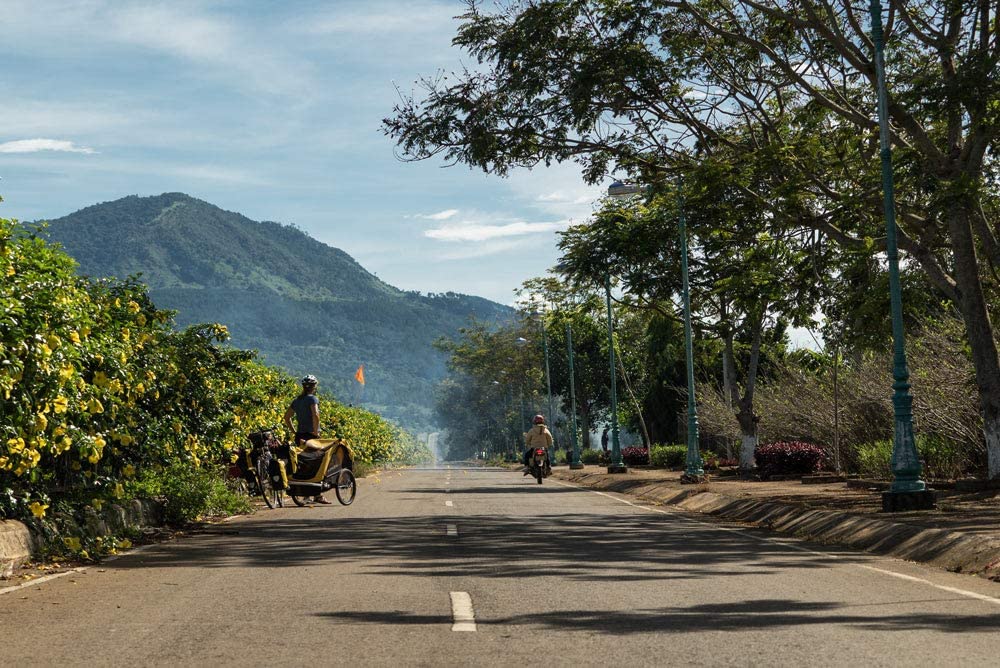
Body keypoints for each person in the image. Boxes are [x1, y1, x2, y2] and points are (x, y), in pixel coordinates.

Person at [283, 375, 331, 504]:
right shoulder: (312, 399)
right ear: (314, 387)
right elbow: (316, 415)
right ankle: (317, 495)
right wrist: (316, 431)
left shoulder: (297, 401)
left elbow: (287, 417)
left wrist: (294, 431)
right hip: (311, 436)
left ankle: (306, 494)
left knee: (303, 464)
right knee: (317, 462)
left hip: (300, 436)